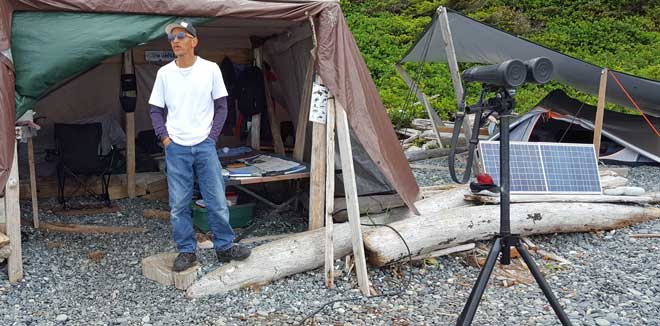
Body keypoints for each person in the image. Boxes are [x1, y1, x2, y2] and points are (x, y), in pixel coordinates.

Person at [149, 20, 251, 272]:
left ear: (194, 41)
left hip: (205, 146)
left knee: (216, 199)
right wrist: (165, 139)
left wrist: (211, 137)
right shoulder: (164, 73)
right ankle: (186, 251)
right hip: (177, 148)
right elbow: (154, 109)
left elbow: (222, 106)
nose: (175, 41)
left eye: (181, 36)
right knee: (179, 204)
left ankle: (224, 248)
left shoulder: (211, 69)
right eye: (172, 37)